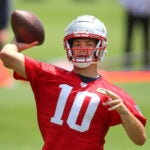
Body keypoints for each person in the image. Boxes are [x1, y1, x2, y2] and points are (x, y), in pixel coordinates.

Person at [0, 15, 147, 150]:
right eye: (77, 43)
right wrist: (16, 44)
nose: (82, 49)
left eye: (89, 43)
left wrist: (124, 112)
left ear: (100, 47)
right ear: (69, 47)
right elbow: (7, 56)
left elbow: (140, 139)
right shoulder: (49, 75)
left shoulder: (113, 94)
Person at [119, 0, 150, 70]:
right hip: (131, 12)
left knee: (146, 38)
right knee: (129, 38)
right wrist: (131, 8)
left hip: (145, 13)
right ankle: (127, 62)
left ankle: (146, 62)